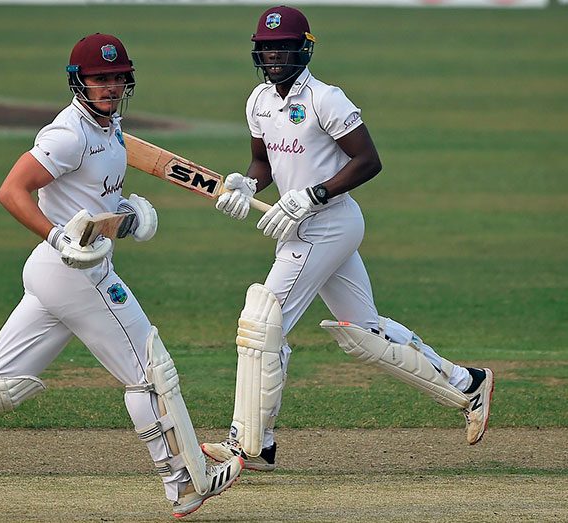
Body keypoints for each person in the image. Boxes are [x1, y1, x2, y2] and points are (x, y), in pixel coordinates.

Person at [0, 33, 242, 518]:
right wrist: (57, 236)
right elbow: (11, 190)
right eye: (99, 79)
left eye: (117, 78)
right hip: (72, 272)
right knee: (150, 373)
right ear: (78, 82)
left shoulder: (111, 129)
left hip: (65, 272)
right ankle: (184, 482)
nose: (109, 87)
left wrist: (128, 216)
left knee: (3, 382)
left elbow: (95, 202)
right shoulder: (68, 134)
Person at [201, 6, 495, 471]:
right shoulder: (258, 100)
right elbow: (262, 162)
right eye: (268, 47)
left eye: (284, 46)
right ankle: (467, 384)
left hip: (328, 223)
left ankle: (251, 444)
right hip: (301, 227)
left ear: (304, 48)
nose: (275, 55)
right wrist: (247, 186)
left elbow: (368, 160)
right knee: (364, 334)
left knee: (263, 322)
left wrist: (314, 195)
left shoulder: (325, 99)